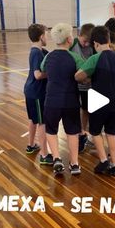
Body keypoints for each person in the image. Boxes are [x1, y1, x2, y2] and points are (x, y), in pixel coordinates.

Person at [75, 26, 115, 176]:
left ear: (95, 43)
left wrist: (89, 76)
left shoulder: (95, 58)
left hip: (99, 100)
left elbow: (78, 76)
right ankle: (114, 164)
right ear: (108, 40)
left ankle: (103, 161)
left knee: (95, 131)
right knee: (112, 133)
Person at [41, 23, 84, 176]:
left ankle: (57, 158)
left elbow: (43, 71)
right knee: (72, 132)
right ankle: (74, 164)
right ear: (68, 39)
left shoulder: (48, 56)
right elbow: (82, 74)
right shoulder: (75, 57)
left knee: (51, 130)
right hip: (70, 100)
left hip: (51, 100)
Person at [24, 23, 53, 165]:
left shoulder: (41, 51)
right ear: (41, 36)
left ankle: (31, 146)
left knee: (33, 120)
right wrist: (51, 74)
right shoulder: (36, 52)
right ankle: (44, 154)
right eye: (46, 34)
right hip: (36, 92)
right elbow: (37, 75)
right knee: (42, 122)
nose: (47, 37)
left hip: (31, 91)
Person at [70, 23, 94, 152]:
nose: (86, 44)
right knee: (74, 109)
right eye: (84, 41)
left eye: (88, 43)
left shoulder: (92, 47)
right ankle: (76, 133)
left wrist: (89, 79)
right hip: (74, 84)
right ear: (78, 35)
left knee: (86, 110)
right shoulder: (72, 44)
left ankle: (83, 133)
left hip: (87, 86)